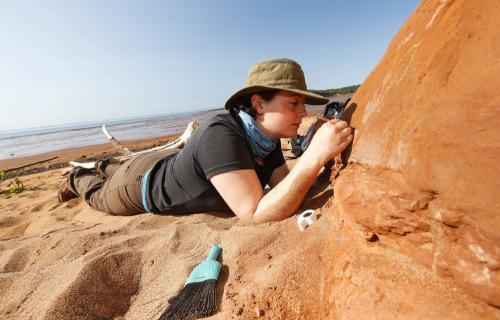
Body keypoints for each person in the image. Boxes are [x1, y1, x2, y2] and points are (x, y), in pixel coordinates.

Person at [58, 58, 353, 224]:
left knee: (112, 166)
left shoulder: (267, 137)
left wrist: (325, 158)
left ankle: (106, 164)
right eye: (293, 103)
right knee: (96, 192)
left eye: (303, 104)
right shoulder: (220, 133)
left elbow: (282, 187)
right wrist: (314, 156)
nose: (303, 112)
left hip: (162, 162)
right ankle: (76, 176)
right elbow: (253, 214)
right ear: (259, 105)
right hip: (139, 187)